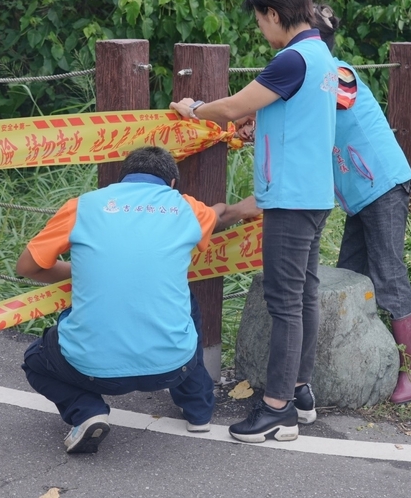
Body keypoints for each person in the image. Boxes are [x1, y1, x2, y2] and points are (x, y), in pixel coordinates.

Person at [171, 0, 338, 443]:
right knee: (303, 295)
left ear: (272, 13)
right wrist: (257, 123)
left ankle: (276, 410)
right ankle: (299, 392)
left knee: (285, 302)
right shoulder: (321, 55)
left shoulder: (291, 60)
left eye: (260, 21)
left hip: (289, 197)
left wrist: (194, 108)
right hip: (314, 192)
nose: (261, 31)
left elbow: (231, 107)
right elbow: (281, 113)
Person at [17, 146, 262, 454]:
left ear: (122, 181)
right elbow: (222, 215)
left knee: (35, 360)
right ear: (172, 184)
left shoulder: (84, 205)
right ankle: (198, 410)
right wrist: (249, 208)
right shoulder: (184, 207)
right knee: (186, 301)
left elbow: (26, 266)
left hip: (91, 370)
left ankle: (86, 410)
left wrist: (81, 270)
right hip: (174, 367)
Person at [313, 3, 411, 403]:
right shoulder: (316, 77)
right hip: (360, 194)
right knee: (350, 272)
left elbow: (330, 103)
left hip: (381, 185)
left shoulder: (339, 74)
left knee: (388, 273)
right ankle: (357, 365)